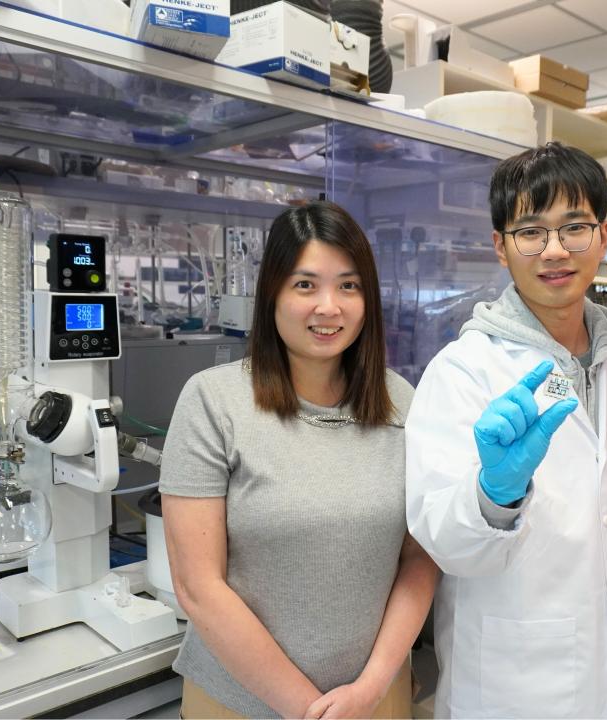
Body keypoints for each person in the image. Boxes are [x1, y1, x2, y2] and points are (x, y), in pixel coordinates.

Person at [405, 141, 607, 718]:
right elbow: (440, 539)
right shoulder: (462, 371)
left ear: (604, 236)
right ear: (500, 245)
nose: (554, 251)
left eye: (575, 227)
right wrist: (494, 496)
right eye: (530, 231)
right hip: (511, 680)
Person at [159, 201, 438, 719]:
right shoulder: (213, 402)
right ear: (273, 295)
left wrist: (372, 688)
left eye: (348, 286)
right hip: (239, 702)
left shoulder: (403, 404)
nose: (328, 306)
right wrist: (309, 709)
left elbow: (419, 561)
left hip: (375, 700)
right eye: (305, 285)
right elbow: (198, 587)